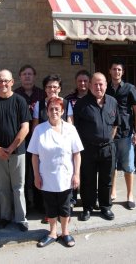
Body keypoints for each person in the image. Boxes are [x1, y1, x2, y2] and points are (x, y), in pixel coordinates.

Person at [27, 97, 83, 248]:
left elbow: (77, 154)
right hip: (46, 176)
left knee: (65, 206)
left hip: (66, 175)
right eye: (51, 109)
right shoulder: (39, 129)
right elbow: (34, 155)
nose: (54, 112)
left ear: (63, 111)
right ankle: (52, 233)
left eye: (57, 109)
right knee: (50, 205)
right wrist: (36, 175)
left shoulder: (71, 129)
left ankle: (65, 232)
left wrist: (76, 174)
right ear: (46, 111)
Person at [0, 69, 31, 232]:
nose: (3, 83)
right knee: (3, 187)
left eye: (6, 81)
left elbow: (25, 127)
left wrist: (11, 148)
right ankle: (5, 216)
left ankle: (21, 218)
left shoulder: (20, 101)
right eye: (0, 81)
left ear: (12, 82)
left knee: (18, 187)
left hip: (18, 152)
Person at [73, 72, 120, 222]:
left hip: (108, 148)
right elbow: (76, 128)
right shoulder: (82, 103)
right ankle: (88, 208)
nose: (98, 87)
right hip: (88, 149)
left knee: (106, 180)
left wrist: (108, 140)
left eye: (101, 84)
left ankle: (105, 207)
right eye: (95, 84)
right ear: (90, 85)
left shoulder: (113, 102)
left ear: (106, 85)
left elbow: (115, 125)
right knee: (88, 180)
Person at [32, 74, 73, 223]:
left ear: (60, 88)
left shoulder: (67, 103)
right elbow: (35, 125)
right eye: (49, 87)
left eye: (55, 86)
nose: (52, 89)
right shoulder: (39, 104)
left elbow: (70, 124)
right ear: (45, 89)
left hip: (62, 147)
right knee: (46, 182)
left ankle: (65, 214)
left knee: (64, 182)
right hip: (45, 147)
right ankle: (49, 214)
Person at [106, 60, 136, 210]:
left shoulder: (129, 88)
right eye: (114, 69)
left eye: (119, 70)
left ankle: (130, 195)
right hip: (110, 134)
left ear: (122, 72)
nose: (117, 72)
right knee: (111, 166)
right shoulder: (105, 88)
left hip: (126, 133)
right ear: (110, 71)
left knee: (128, 167)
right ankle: (112, 192)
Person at [14, 65, 45, 211]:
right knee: (23, 174)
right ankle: (25, 204)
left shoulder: (42, 94)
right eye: (24, 74)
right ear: (20, 77)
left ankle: (39, 203)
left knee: (38, 171)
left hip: (39, 140)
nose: (27, 76)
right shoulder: (15, 95)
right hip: (21, 141)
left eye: (30, 74)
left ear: (34, 76)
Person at [65, 69, 90, 207]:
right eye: (80, 80)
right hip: (73, 141)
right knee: (73, 169)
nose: (82, 83)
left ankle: (88, 199)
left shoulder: (94, 98)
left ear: (89, 82)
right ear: (76, 82)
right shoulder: (68, 99)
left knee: (88, 171)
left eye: (85, 81)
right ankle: (72, 199)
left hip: (89, 140)